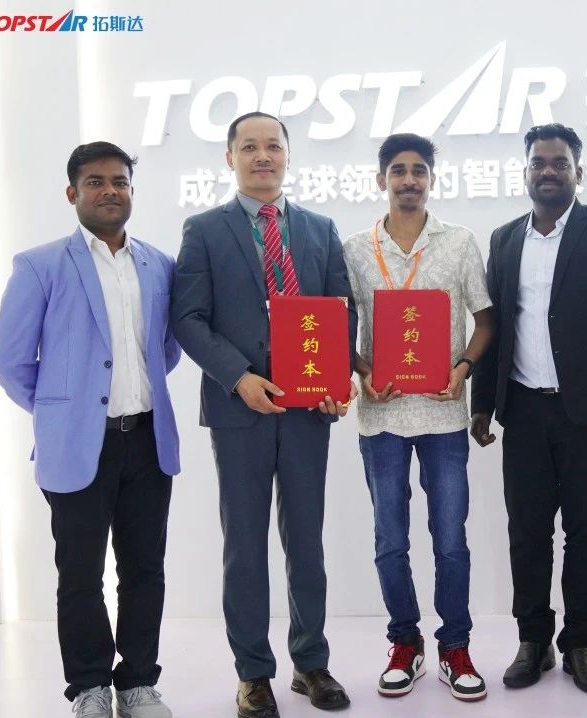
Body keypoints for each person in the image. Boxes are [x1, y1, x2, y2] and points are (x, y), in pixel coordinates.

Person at [171, 112, 357, 716]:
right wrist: (238, 377)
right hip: (240, 410)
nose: (262, 156)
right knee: (245, 547)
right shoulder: (204, 229)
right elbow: (188, 319)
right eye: (248, 147)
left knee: (306, 541)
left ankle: (311, 662)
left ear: (287, 155)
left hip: (307, 413)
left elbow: (340, 309)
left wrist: (336, 382)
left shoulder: (320, 229)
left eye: (272, 146)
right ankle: (253, 672)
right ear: (230, 158)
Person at [0, 142, 180, 718]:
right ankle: (90, 687)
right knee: (79, 574)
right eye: (95, 182)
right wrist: (61, 412)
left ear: (132, 191)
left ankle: (138, 682)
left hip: (147, 439)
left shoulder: (159, 264)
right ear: (72, 193)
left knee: (144, 569)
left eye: (119, 181)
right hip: (77, 447)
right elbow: (10, 359)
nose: (109, 191)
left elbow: (166, 350)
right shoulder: (40, 265)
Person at [470, 123, 587, 695]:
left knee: (586, 532)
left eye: (559, 162)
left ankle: (580, 644)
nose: (548, 171)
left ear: (578, 171)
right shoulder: (505, 239)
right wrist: (483, 404)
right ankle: (533, 641)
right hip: (523, 411)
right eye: (538, 163)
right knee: (527, 533)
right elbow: (496, 327)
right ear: (525, 171)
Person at [343, 133, 495, 701]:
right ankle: (405, 643)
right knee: (390, 540)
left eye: (419, 170)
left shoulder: (458, 242)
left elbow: (485, 319)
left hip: (443, 413)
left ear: (432, 178)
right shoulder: (356, 249)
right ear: (381, 179)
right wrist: (362, 370)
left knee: (450, 539)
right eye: (399, 170)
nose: (409, 179)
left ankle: (455, 646)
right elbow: (338, 326)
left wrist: (463, 368)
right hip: (381, 416)